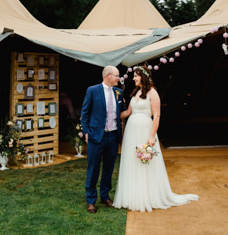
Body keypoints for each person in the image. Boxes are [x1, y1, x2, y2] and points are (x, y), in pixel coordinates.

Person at [113, 66, 198, 212]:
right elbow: (127, 112)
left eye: (135, 76)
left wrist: (152, 136)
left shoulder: (153, 93)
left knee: (144, 163)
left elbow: (157, 115)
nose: (133, 78)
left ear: (143, 77)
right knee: (131, 161)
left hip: (145, 131)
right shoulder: (135, 92)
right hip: (131, 131)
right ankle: (132, 196)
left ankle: (147, 196)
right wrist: (110, 116)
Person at [81, 65, 126, 213]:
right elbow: (85, 113)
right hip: (96, 136)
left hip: (113, 136)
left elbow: (122, 113)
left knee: (108, 168)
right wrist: (86, 132)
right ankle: (91, 200)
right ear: (107, 76)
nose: (118, 78)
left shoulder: (119, 92)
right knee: (93, 168)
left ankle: (105, 196)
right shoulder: (92, 90)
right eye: (116, 75)